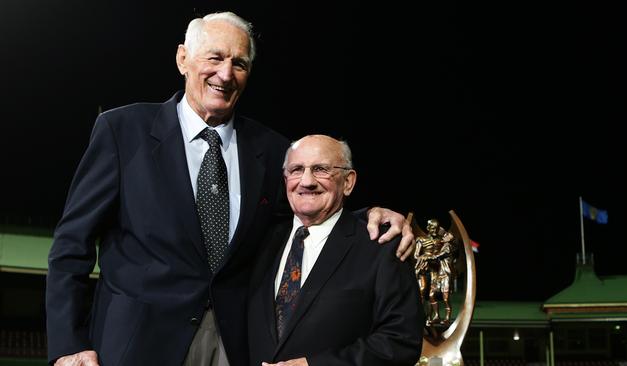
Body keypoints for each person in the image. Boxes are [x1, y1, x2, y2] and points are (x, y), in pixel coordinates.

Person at [46, 11, 414, 366]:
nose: (226, 74)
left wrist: (367, 216)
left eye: (239, 63)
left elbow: (307, 212)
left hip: (234, 346)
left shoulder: (271, 151)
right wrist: (69, 343)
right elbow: (71, 245)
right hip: (135, 344)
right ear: (183, 59)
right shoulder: (122, 131)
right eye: (215, 58)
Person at [247, 135, 423, 366]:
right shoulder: (260, 240)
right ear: (285, 178)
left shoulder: (382, 247)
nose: (307, 181)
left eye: (321, 169)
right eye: (297, 169)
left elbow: (401, 342)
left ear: (348, 182)